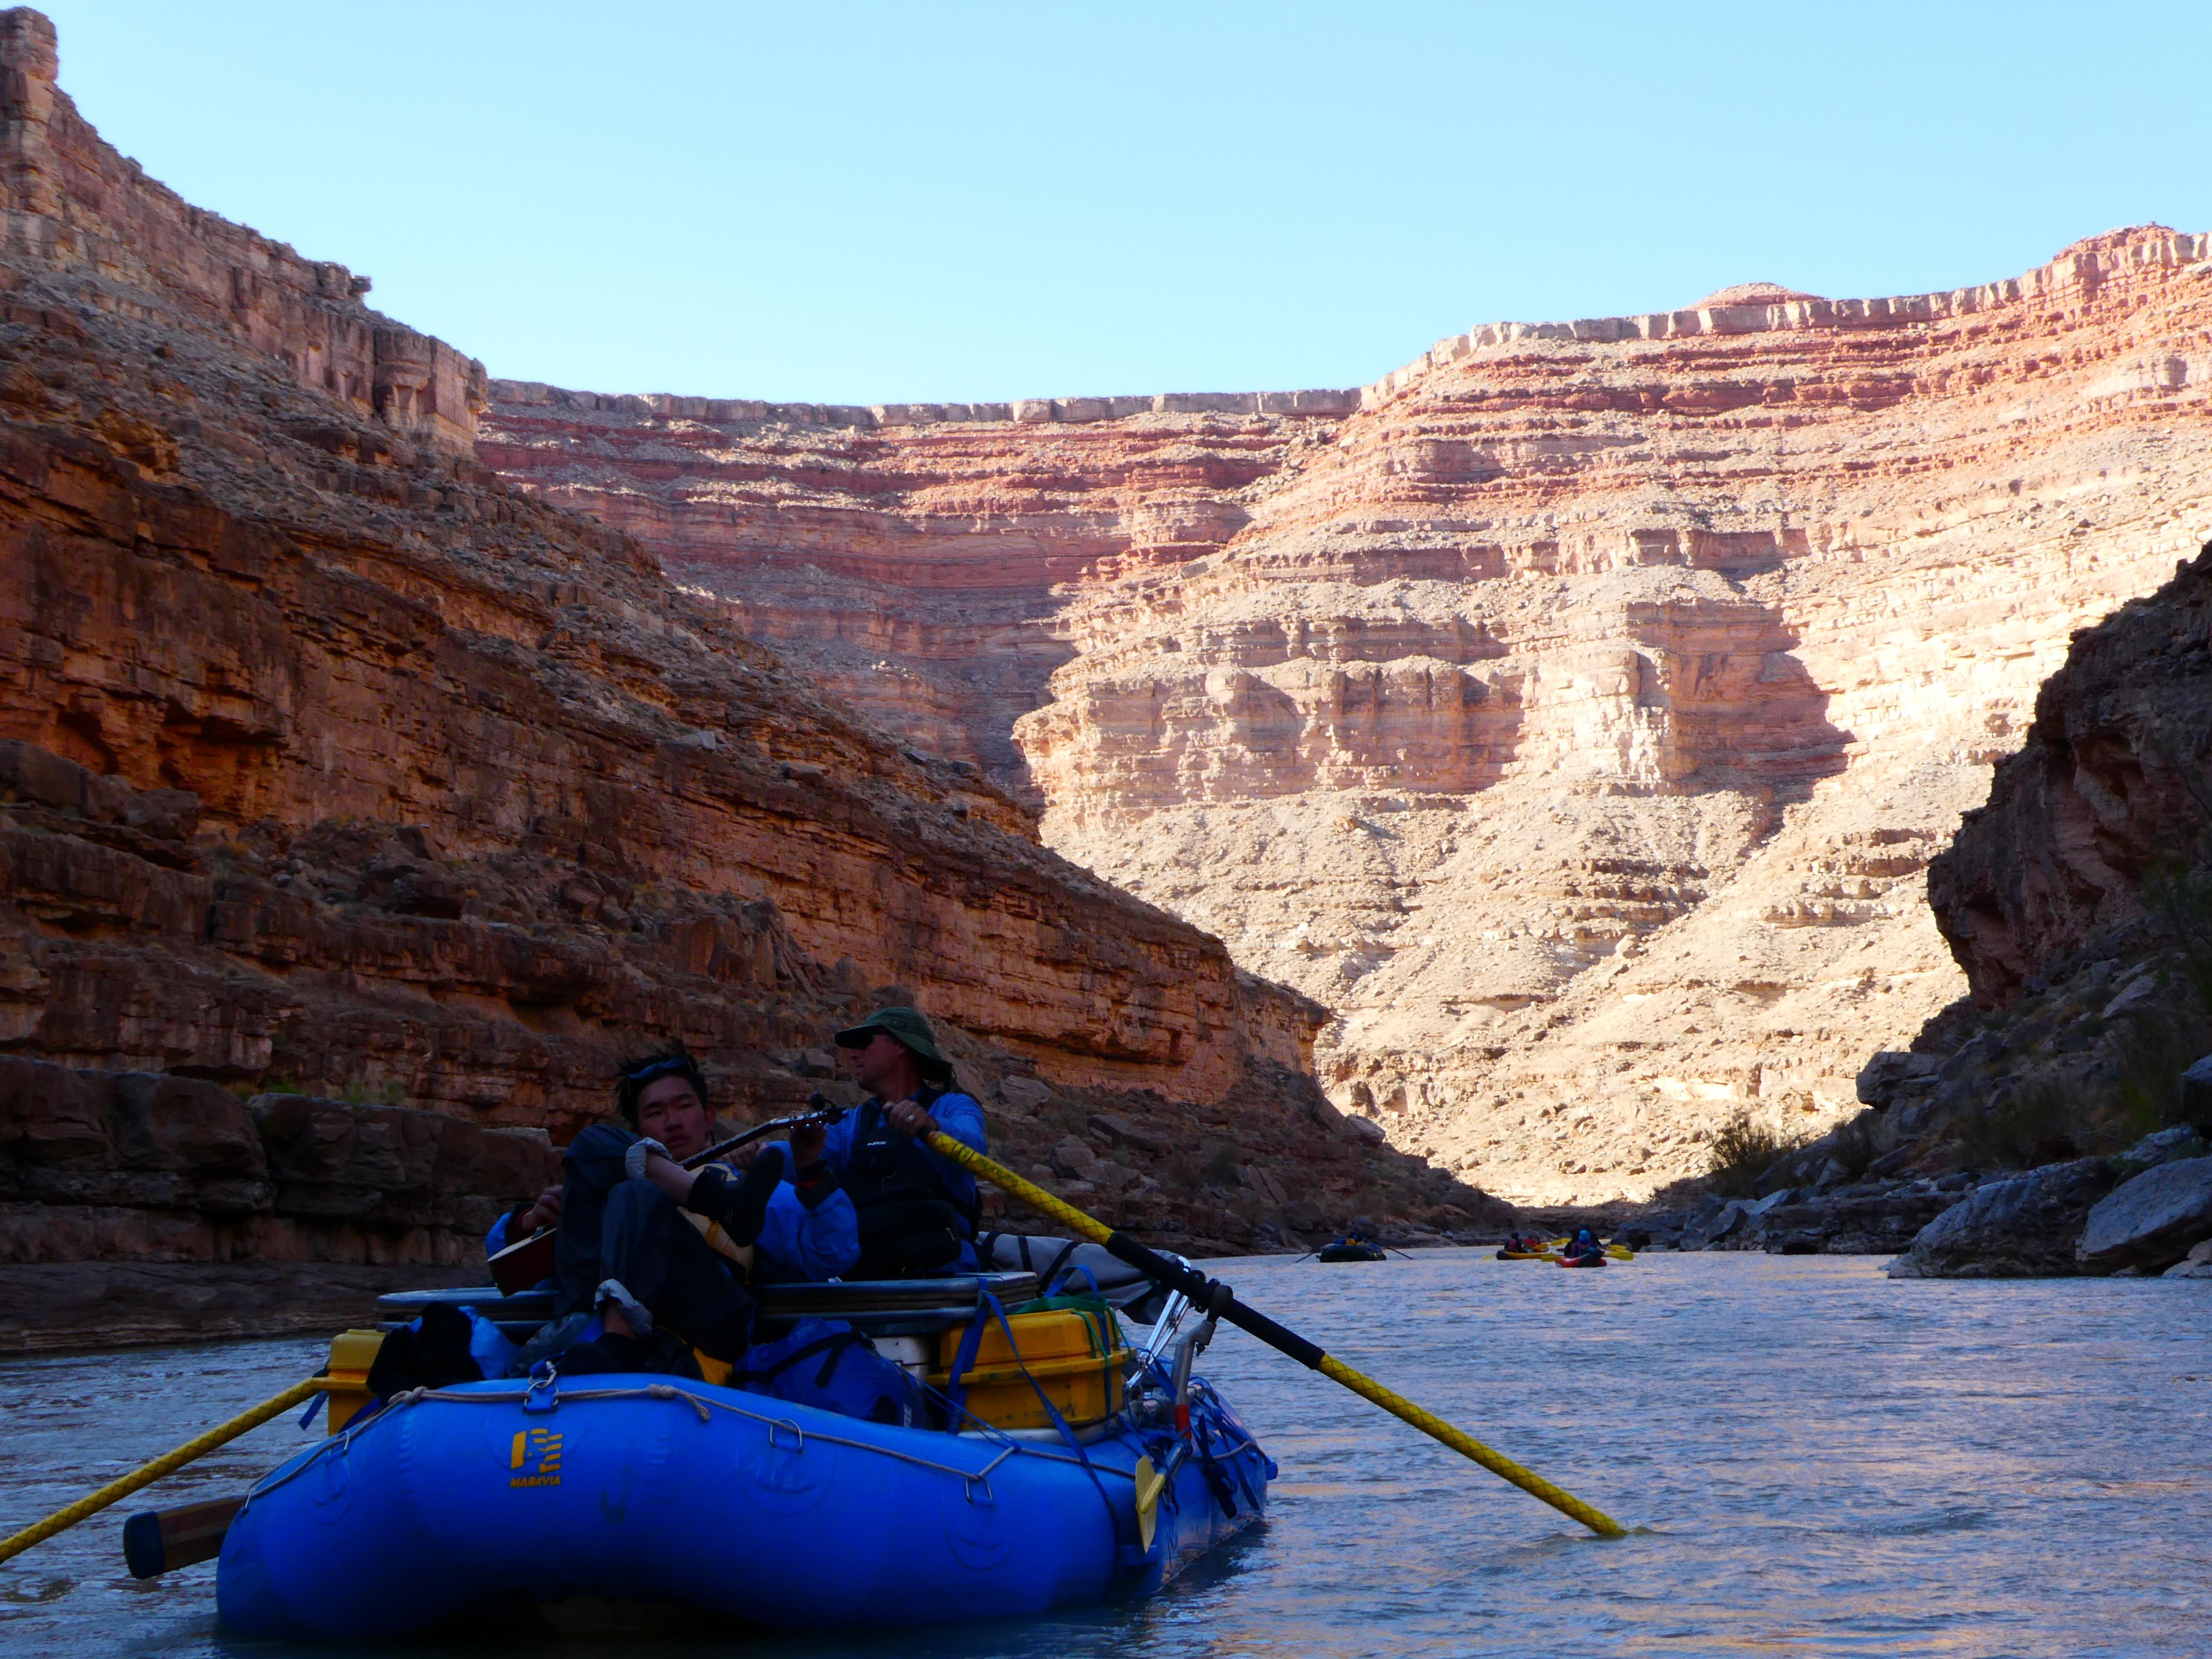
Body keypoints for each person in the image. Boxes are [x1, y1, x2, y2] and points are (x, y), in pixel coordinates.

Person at [490, 1047, 859, 1372]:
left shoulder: (750, 1185)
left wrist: (809, 1164)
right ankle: (717, 1207)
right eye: (656, 1113)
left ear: (708, 1117)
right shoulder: (604, 1176)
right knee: (603, 1155)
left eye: (684, 1106)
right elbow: (502, 1260)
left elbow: (834, 1254)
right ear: (638, 1133)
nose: (673, 1122)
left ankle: (619, 1344)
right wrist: (530, 1220)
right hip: (595, 1333)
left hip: (702, 1330)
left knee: (633, 1189)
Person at [822, 1006, 988, 1276]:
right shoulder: (851, 1124)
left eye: (864, 1043)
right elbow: (812, 1156)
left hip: (940, 1277)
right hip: (863, 1275)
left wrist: (933, 1126)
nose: (854, 1055)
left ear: (901, 1046)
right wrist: (766, 1152)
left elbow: (973, 1147)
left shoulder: (954, 1106)